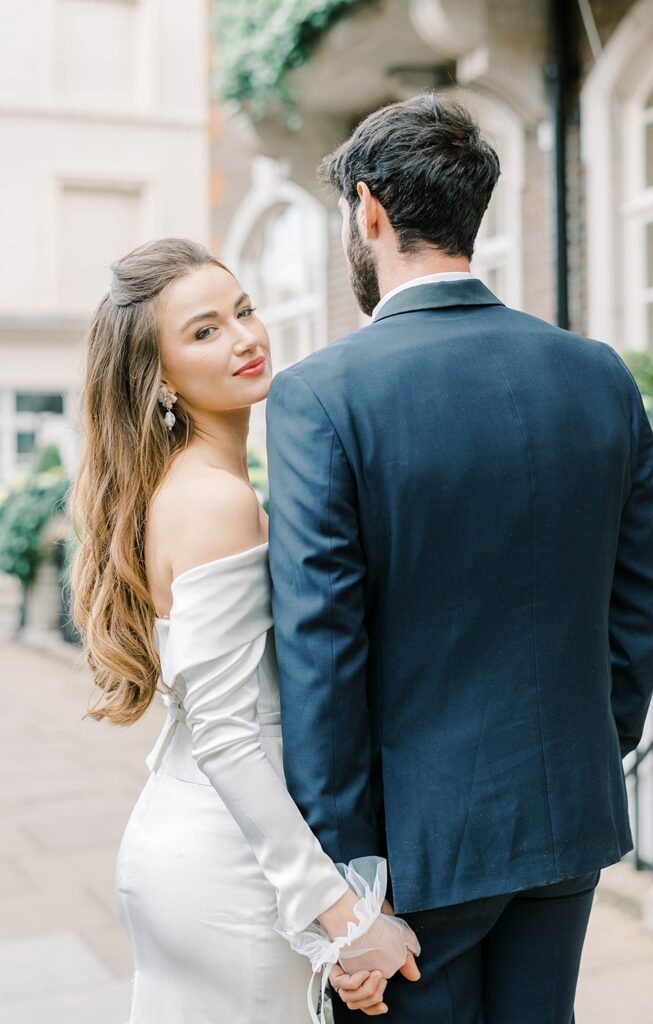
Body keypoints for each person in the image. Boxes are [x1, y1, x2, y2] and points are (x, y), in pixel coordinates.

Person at [265, 94, 653, 1024]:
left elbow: (321, 655)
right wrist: (580, 744)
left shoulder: (318, 395)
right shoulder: (596, 372)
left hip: (416, 855)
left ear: (367, 211)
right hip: (563, 822)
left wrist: (346, 893)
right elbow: (647, 604)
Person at [70, 237, 420, 1024]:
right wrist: (343, 919)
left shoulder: (201, 483)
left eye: (243, 310)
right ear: (157, 375)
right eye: (205, 331)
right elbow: (230, 737)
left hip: (195, 841)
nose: (245, 338)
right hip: (227, 866)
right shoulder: (212, 501)